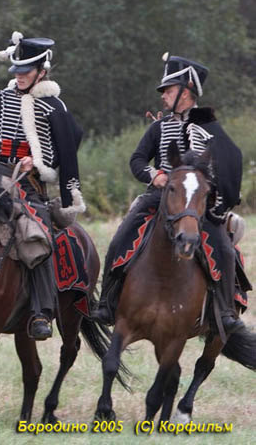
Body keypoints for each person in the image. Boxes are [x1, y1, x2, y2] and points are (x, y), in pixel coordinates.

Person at [93, 54, 244, 335]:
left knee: (223, 248)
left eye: (169, 91)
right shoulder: (159, 127)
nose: (164, 97)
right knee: (121, 237)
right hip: (159, 197)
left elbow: (231, 161)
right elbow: (137, 160)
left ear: (186, 93)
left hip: (196, 203)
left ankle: (224, 311)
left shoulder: (210, 128)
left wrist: (217, 202)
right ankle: (107, 302)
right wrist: (155, 175)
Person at [0, 32, 86, 340]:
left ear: (42, 72)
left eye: (26, 71)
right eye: (17, 71)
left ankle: (41, 311)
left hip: (30, 184)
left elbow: (69, 142)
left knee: (37, 234)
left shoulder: (53, 107)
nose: (20, 76)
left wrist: (37, 163)